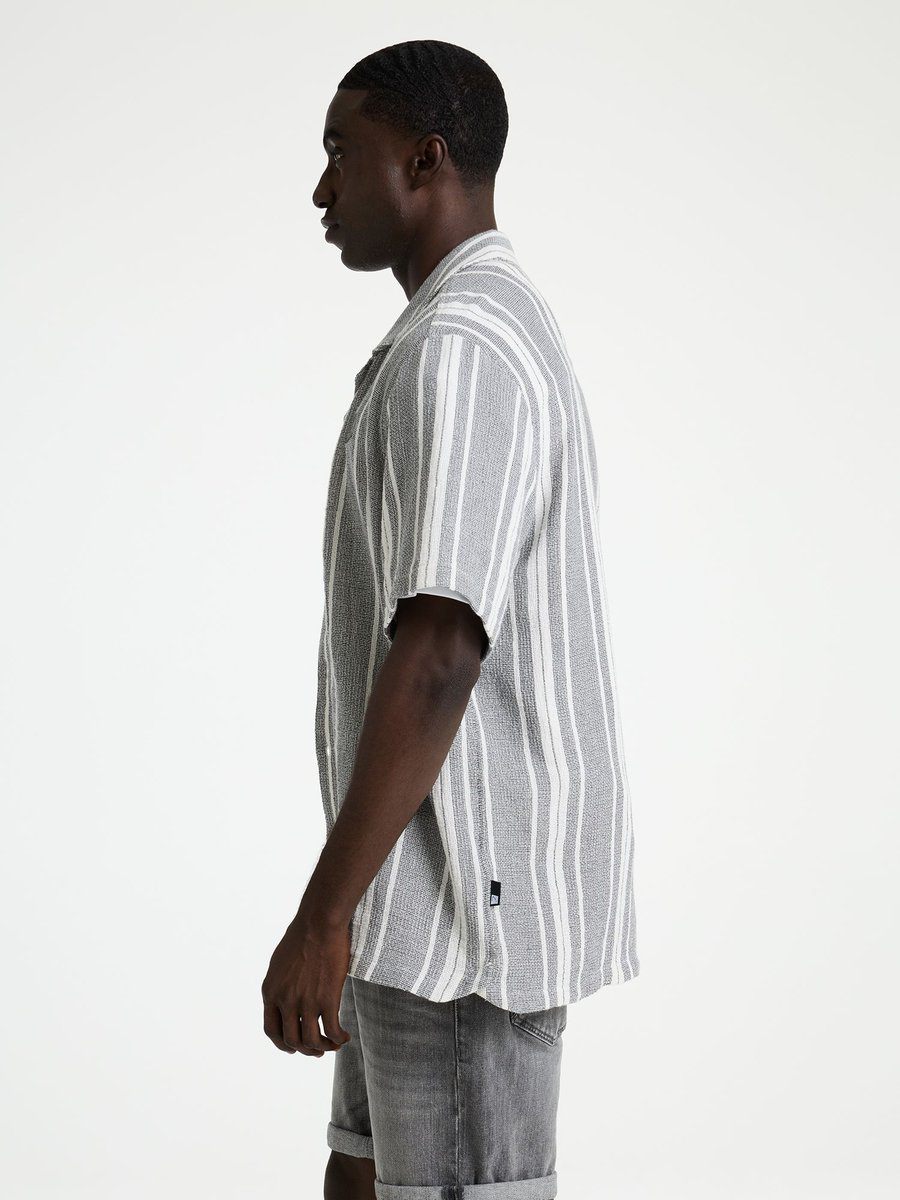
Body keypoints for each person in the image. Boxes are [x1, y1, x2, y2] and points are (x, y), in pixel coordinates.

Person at [261, 39, 640, 1200]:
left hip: (466, 912)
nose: (320, 186)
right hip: (412, 898)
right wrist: (352, 904)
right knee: (363, 1174)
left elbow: (439, 652)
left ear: (424, 161)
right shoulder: (448, 336)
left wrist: (322, 914)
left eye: (342, 151)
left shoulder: (466, 350)